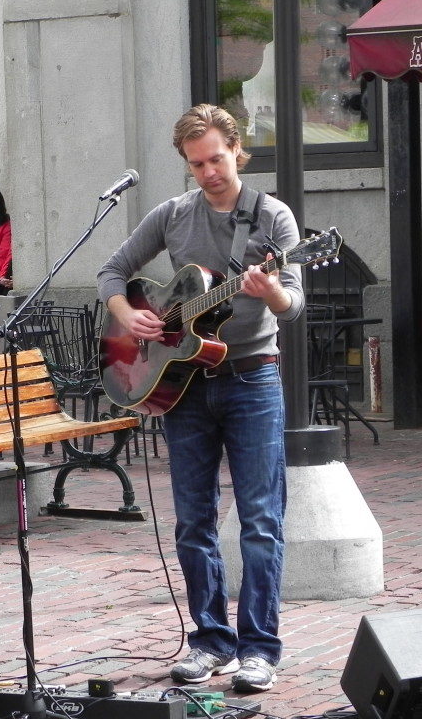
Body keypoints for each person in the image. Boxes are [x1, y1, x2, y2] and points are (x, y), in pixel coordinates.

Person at [96, 104, 304, 693]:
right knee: (193, 521)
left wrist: (271, 293)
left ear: (237, 150)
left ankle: (260, 648)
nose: (209, 172)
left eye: (217, 158)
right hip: (183, 386)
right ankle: (210, 639)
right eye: (196, 164)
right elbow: (112, 271)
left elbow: (295, 303)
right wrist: (130, 313)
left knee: (261, 519)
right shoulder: (172, 214)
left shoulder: (272, 218)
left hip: (251, 379)